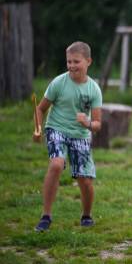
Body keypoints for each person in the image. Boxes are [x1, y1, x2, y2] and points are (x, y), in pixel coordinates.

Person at [33, 41, 102, 232]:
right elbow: (40, 108)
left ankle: (86, 215)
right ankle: (46, 216)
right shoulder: (58, 83)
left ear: (88, 61)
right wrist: (38, 129)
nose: (71, 66)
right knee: (56, 164)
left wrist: (86, 123)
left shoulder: (94, 89)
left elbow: (97, 124)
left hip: (80, 134)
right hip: (56, 128)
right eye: (69, 62)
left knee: (85, 180)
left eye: (76, 62)